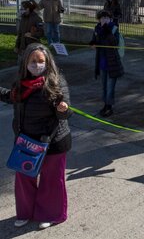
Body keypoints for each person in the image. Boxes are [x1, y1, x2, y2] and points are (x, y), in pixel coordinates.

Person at [0, 43, 72, 230]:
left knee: (51, 180)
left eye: (41, 61)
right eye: (33, 61)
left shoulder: (56, 81)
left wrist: (63, 109)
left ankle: (50, 214)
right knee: (24, 178)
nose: (37, 64)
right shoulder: (20, 85)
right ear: (25, 63)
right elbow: (11, 97)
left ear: (47, 62)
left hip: (52, 142)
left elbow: (64, 111)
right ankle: (25, 213)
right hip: (26, 141)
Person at [89, 10, 124, 117]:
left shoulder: (113, 29)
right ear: (99, 19)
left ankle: (109, 107)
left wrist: (107, 30)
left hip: (112, 62)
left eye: (107, 18)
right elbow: (94, 40)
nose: (104, 20)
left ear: (110, 19)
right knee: (104, 86)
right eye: (102, 18)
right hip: (102, 61)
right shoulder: (97, 29)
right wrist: (92, 43)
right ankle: (105, 105)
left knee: (110, 87)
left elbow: (115, 43)